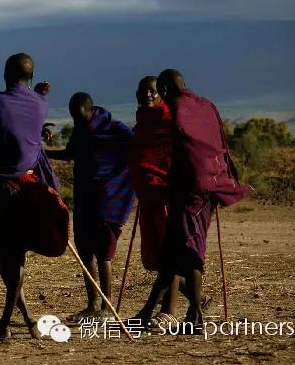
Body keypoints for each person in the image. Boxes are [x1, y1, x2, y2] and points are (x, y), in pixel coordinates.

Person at [134, 69, 252, 331]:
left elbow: (161, 137)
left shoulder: (173, 108)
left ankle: (196, 314)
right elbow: (218, 141)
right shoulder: (206, 106)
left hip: (192, 192)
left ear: (164, 90)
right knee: (171, 254)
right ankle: (146, 313)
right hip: (207, 183)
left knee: (189, 251)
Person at [0, 53, 69, 340]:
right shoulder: (40, 104)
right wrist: (38, 93)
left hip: (4, 189)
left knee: (8, 254)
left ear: (6, 73)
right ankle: (28, 319)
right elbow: (29, 110)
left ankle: (6, 323)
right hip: (30, 186)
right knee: (13, 254)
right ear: (30, 77)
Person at [47, 93, 135, 320]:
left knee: (103, 252)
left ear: (90, 110)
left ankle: (107, 308)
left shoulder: (114, 129)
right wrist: (42, 153)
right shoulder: (80, 130)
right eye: (73, 117)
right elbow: (71, 154)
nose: (76, 120)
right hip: (84, 197)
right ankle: (93, 304)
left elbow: (138, 149)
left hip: (108, 198)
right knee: (85, 250)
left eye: (79, 116)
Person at [129, 76, 180, 329]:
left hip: (166, 195)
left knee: (169, 255)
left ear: (161, 94)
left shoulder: (168, 117)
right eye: (143, 91)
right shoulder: (143, 118)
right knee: (160, 256)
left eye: (152, 91)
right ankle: (199, 298)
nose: (147, 95)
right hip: (147, 196)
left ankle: (165, 311)